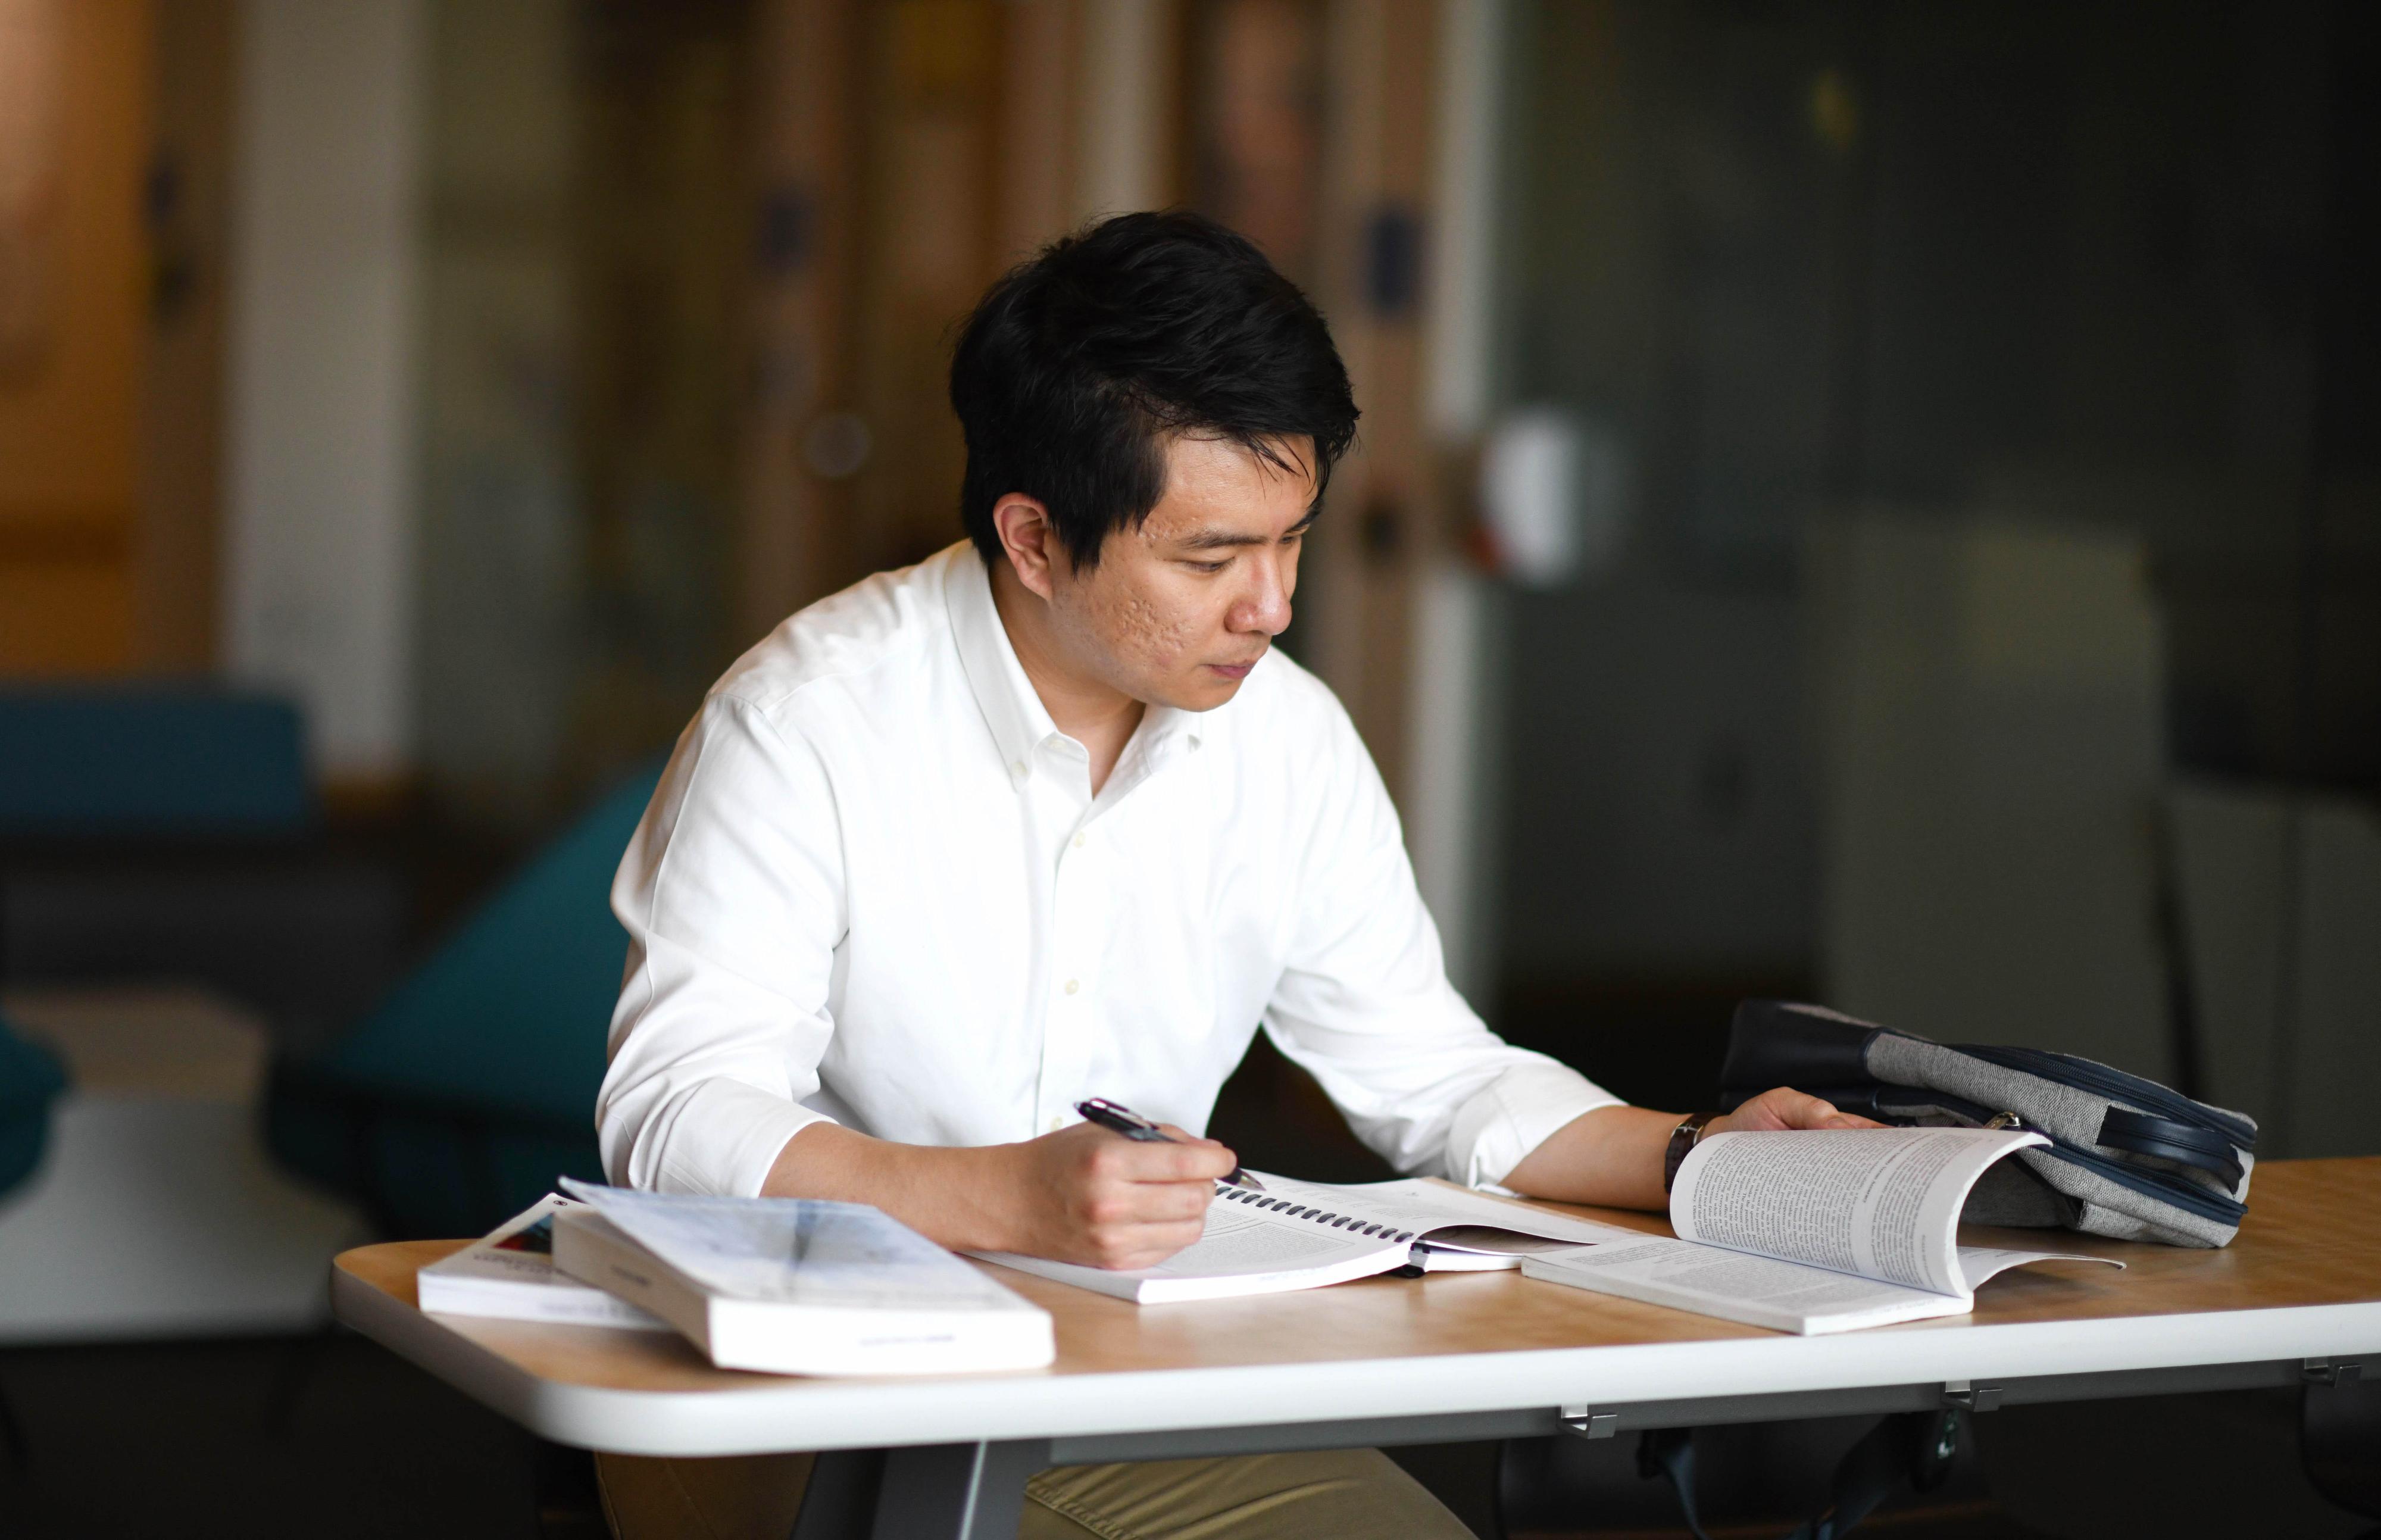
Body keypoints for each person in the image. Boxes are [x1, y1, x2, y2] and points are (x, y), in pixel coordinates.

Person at [592, 210, 1873, 1540]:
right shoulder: (808, 720)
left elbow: (1432, 1074)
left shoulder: (1285, 736)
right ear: (1033, 540)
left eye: (1292, 538)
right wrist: (1003, 1198)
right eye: (1210, 557)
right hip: (788, 1381)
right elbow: (675, 1115)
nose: (1269, 604)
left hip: (1119, 1382)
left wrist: (1692, 1155)